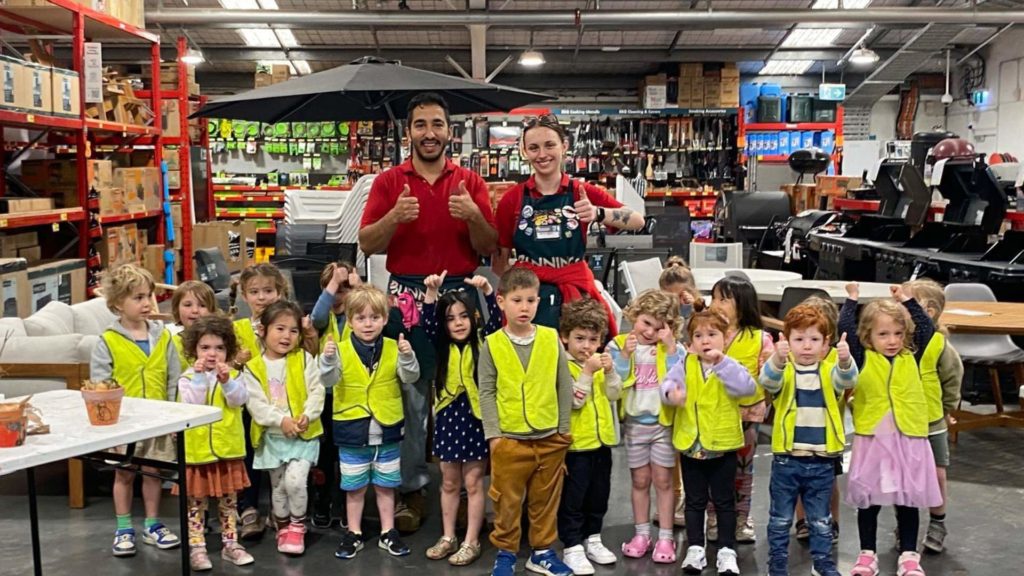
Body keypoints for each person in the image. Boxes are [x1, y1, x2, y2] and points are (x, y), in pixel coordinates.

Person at [359, 91, 498, 533]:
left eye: (437, 124)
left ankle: (479, 486)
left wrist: (475, 215)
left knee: (473, 390)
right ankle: (413, 488)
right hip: (408, 297)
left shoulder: (470, 182)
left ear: (449, 131)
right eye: (421, 125)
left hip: (460, 294)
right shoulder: (387, 183)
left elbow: (489, 246)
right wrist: (395, 218)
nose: (429, 133)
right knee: (414, 395)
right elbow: (367, 243)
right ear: (408, 132)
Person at [493, 114, 645, 330]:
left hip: (575, 295)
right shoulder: (512, 199)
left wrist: (597, 213)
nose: (542, 154)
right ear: (525, 152)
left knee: (580, 356)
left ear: (564, 146)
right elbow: (500, 261)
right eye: (534, 148)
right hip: (529, 299)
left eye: (550, 145)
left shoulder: (581, 192)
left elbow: (638, 220)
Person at [839, 283, 943, 576]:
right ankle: (867, 553)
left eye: (898, 333)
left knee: (908, 499)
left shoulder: (912, 355)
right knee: (869, 501)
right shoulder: (863, 357)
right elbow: (846, 328)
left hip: (907, 437)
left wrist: (908, 301)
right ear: (869, 335)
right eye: (883, 334)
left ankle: (909, 555)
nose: (892, 340)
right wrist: (851, 301)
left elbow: (925, 328)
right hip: (874, 439)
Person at [478, 268, 574, 576]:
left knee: (545, 499)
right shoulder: (491, 343)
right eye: (517, 300)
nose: (525, 307)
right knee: (507, 500)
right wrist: (494, 437)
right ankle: (505, 551)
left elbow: (563, 384)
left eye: (531, 300)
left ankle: (543, 551)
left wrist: (563, 430)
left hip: (549, 437)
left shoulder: (550, 338)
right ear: (502, 302)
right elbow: (486, 391)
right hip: (509, 437)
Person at [90, 264, 182, 557]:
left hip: (157, 418)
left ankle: (153, 525)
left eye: (148, 296)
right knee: (125, 474)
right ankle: (123, 527)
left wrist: (172, 416)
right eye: (138, 298)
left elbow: (173, 378)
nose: (147, 303)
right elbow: (100, 386)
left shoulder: (164, 336)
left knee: (154, 471)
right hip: (125, 421)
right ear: (118, 303)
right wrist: (110, 427)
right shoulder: (107, 340)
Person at [759, 305, 857, 576]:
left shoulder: (829, 371)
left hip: (822, 461)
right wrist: (777, 360)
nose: (806, 346)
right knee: (779, 519)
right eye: (799, 339)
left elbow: (848, 379)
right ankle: (777, 565)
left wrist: (846, 360)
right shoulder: (785, 371)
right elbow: (767, 381)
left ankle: (823, 564)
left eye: (814, 339)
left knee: (821, 520)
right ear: (787, 341)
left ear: (826, 344)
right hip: (787, 460)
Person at [662, 310, 757, 576]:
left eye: (712, 334)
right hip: (692, 446)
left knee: (725, 501)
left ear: (725, 338)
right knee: (695, 501)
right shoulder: (685, 363)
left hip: (722, 446)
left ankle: (727, 550)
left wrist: (723, 363)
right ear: (690, 341)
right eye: (699, 336)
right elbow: (668, 383)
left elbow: (747, 388)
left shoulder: (731, 365)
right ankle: (695, 548)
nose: (706, 341)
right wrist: (672, 393)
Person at [331, 286, 421, 560]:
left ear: (384, 319)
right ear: (350, 320)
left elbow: (411, 377)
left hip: (388, 429)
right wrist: (325, 361)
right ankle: (354, 532)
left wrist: (407, 356)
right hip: (351, 429)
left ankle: (388, 532)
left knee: (386, 485)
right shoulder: (340, 350)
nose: (367, 323)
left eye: (374, 317)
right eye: (360, 318)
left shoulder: (395, 347)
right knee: (354, 487)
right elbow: (327, 381)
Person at [241, 301, 334, 556]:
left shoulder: (303, 359)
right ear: (263, 330)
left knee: (295, 481)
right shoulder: (253, 367)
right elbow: (255, 403)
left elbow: (316, 391)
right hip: (272, 437)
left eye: (293, 331)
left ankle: (297, 524)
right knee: (279, 487)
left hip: (303, 437)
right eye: (280, 329)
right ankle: (282, 524)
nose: (287, 336)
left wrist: (306, 415)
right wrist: (280, 421)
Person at [421, 272, 502, 566]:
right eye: (451, 318)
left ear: (473, 318)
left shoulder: (483, 342)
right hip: (447, 417)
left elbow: (496, 322)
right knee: (449, 482)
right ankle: (448, 536)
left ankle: (471, 540)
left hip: (475, 418)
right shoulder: (442, 346)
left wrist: (487, 291)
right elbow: (428, 324)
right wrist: (431, 292)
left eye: (463, 316)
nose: (458, 323)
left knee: (474, 483)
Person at [606, 289, 683, 564]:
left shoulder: (674, 349)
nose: (649, 331)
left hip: (663, 426)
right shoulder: (617, 345)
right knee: (640, 480)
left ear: (669, 328)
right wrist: (625, 357)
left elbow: (678, 379)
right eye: (645, 323)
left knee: (664, 481)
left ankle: (665, 535)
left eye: (658, 326)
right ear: (634, 316)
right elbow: (614, 384)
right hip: (635, 425)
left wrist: (672, 348)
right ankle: (641, 533)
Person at [175, 314, 254, 571]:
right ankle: (197, 547)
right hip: (197, 453)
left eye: (219, 348)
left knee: (229, 503)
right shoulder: (187, 378)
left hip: (227, 450)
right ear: (194, 349)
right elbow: (193, 405)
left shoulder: (233, 375)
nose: (212, 354)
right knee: (196, 504)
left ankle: (231, 543)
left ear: (228, 350)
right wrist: (200, 378)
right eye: (205, 347)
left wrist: (227, 381)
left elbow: (238, 400)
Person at [557, 297, 623, 575]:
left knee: (599, 495)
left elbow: (615, 394)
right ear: (565, 338)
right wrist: (587, 372)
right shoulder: (564, 367)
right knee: (573, 498)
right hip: (576, 447)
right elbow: (574, 402)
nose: (586, 346)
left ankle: (593, 537)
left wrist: (609, 373)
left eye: (593, 339)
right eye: (580, 338)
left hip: (602, 443)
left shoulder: (599, 365)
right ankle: (572, 545)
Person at [708, 276, 774, 544]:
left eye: (724, 299)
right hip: (712, 415)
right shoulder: (708, 332)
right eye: (714, 298)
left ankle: (741, 518)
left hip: (747, 415)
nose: (716, 304)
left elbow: (769, 377)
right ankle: (713, 518)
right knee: (712, 469)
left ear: (742, 303)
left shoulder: (760, 338)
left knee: (743, 470)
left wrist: (764, 402)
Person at [901, 279, 963, 554]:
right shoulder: (896, 342)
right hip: (903, 421)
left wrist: (947, 410)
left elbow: (952, 380)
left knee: (936, 473)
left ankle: (938, 522)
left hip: (932, 421)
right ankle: (906, 522)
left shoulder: (940, 347)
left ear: (929, 311)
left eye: (906, 302)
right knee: (904, 475)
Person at [308, 260, 362, 529]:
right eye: (334, 290)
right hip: (327, 396)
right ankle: (321, 500)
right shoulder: (323, 318)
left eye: (344, 289)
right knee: (325, 454)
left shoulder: (357, 317)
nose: (340, 295)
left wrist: (357, 286)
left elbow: (368, 305)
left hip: (351, 394)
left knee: (347, 455)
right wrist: (332, 283)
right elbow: (316, 315)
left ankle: (343, 502)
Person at [793, 295, 844, 544]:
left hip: (827, 434)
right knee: (799, 481)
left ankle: (831, 521)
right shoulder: (794, 357)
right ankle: (802, 520)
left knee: (829, 480)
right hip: (797, 431)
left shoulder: (836, 359)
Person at [657, 255, 702, 528]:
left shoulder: (699, 313)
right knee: (667, 452)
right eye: (668, 298)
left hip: (693, 388)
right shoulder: (657, 318)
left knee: (687, 447)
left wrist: (695, 307)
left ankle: (688, 498)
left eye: (680, 297)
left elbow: (711, 326)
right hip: (664, 390)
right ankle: (670, 501)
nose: (675, 303)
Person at [170, 280, 217, 367]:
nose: (195, 310)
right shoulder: (170, 344)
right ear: (177, 309)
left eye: (202, 305)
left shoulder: (220, 340)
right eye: (188, 305)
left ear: (212, 310)